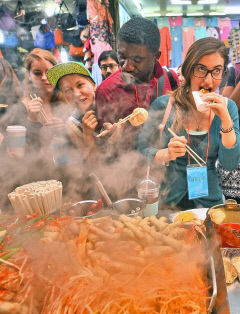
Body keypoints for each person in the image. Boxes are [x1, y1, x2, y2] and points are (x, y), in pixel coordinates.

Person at [139, 37, 240, 210]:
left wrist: (225, 119)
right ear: (188, 70)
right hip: (168, 202)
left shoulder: (227, 107)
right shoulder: (164, 106)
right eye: (201, 69)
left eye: (217, 71)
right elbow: (142, 150)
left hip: (209, 204)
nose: (208, 81)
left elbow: (230, 164)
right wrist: (165, 154)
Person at [95, 17, 179, 150]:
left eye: (137, 59)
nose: (127, 67)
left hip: (166, 164)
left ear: (156, 56)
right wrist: (108, 139)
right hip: (127, 166)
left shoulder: (170, 79)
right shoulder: (106, 90)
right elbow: (103, 146)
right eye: (122, 57)